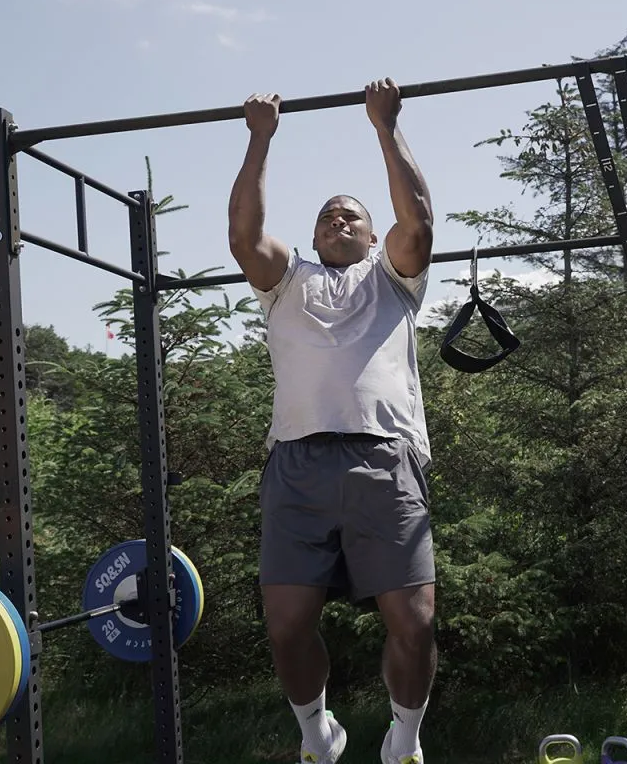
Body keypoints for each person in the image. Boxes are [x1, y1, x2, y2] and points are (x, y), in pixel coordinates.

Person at [227, 78, 436, 764]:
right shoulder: (287, 279)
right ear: (313, 234)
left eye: (351, 217)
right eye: (326, 217)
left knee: (413, 620)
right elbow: (244, 235)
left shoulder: (394, 276)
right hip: (297, 463)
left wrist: (385, 126)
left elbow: (421, 224)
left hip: (383, 460)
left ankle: (404, 738)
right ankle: (318, 733)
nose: (338, 222)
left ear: (373, 234)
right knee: (286, 626)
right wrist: (260, 137)